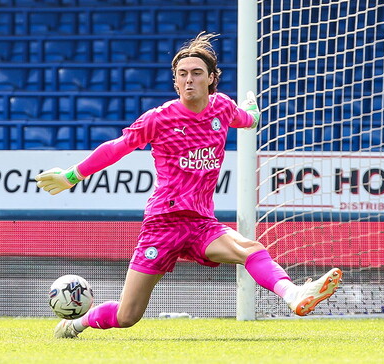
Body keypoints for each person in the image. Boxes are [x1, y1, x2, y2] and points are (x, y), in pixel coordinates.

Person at [36, 32, 342, 338]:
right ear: (175, 81)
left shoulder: (221, 107)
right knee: (127, 315)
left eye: (196, 73)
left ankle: (294, 294)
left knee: (251, 249)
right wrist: (71, 176)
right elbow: (117, 147)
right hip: (163, 223)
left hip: (201, 223)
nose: (189, 80)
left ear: (211, 78)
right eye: (182, 74)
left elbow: (245, 119)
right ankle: (76, 324)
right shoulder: (159, 118)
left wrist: (253, 113)